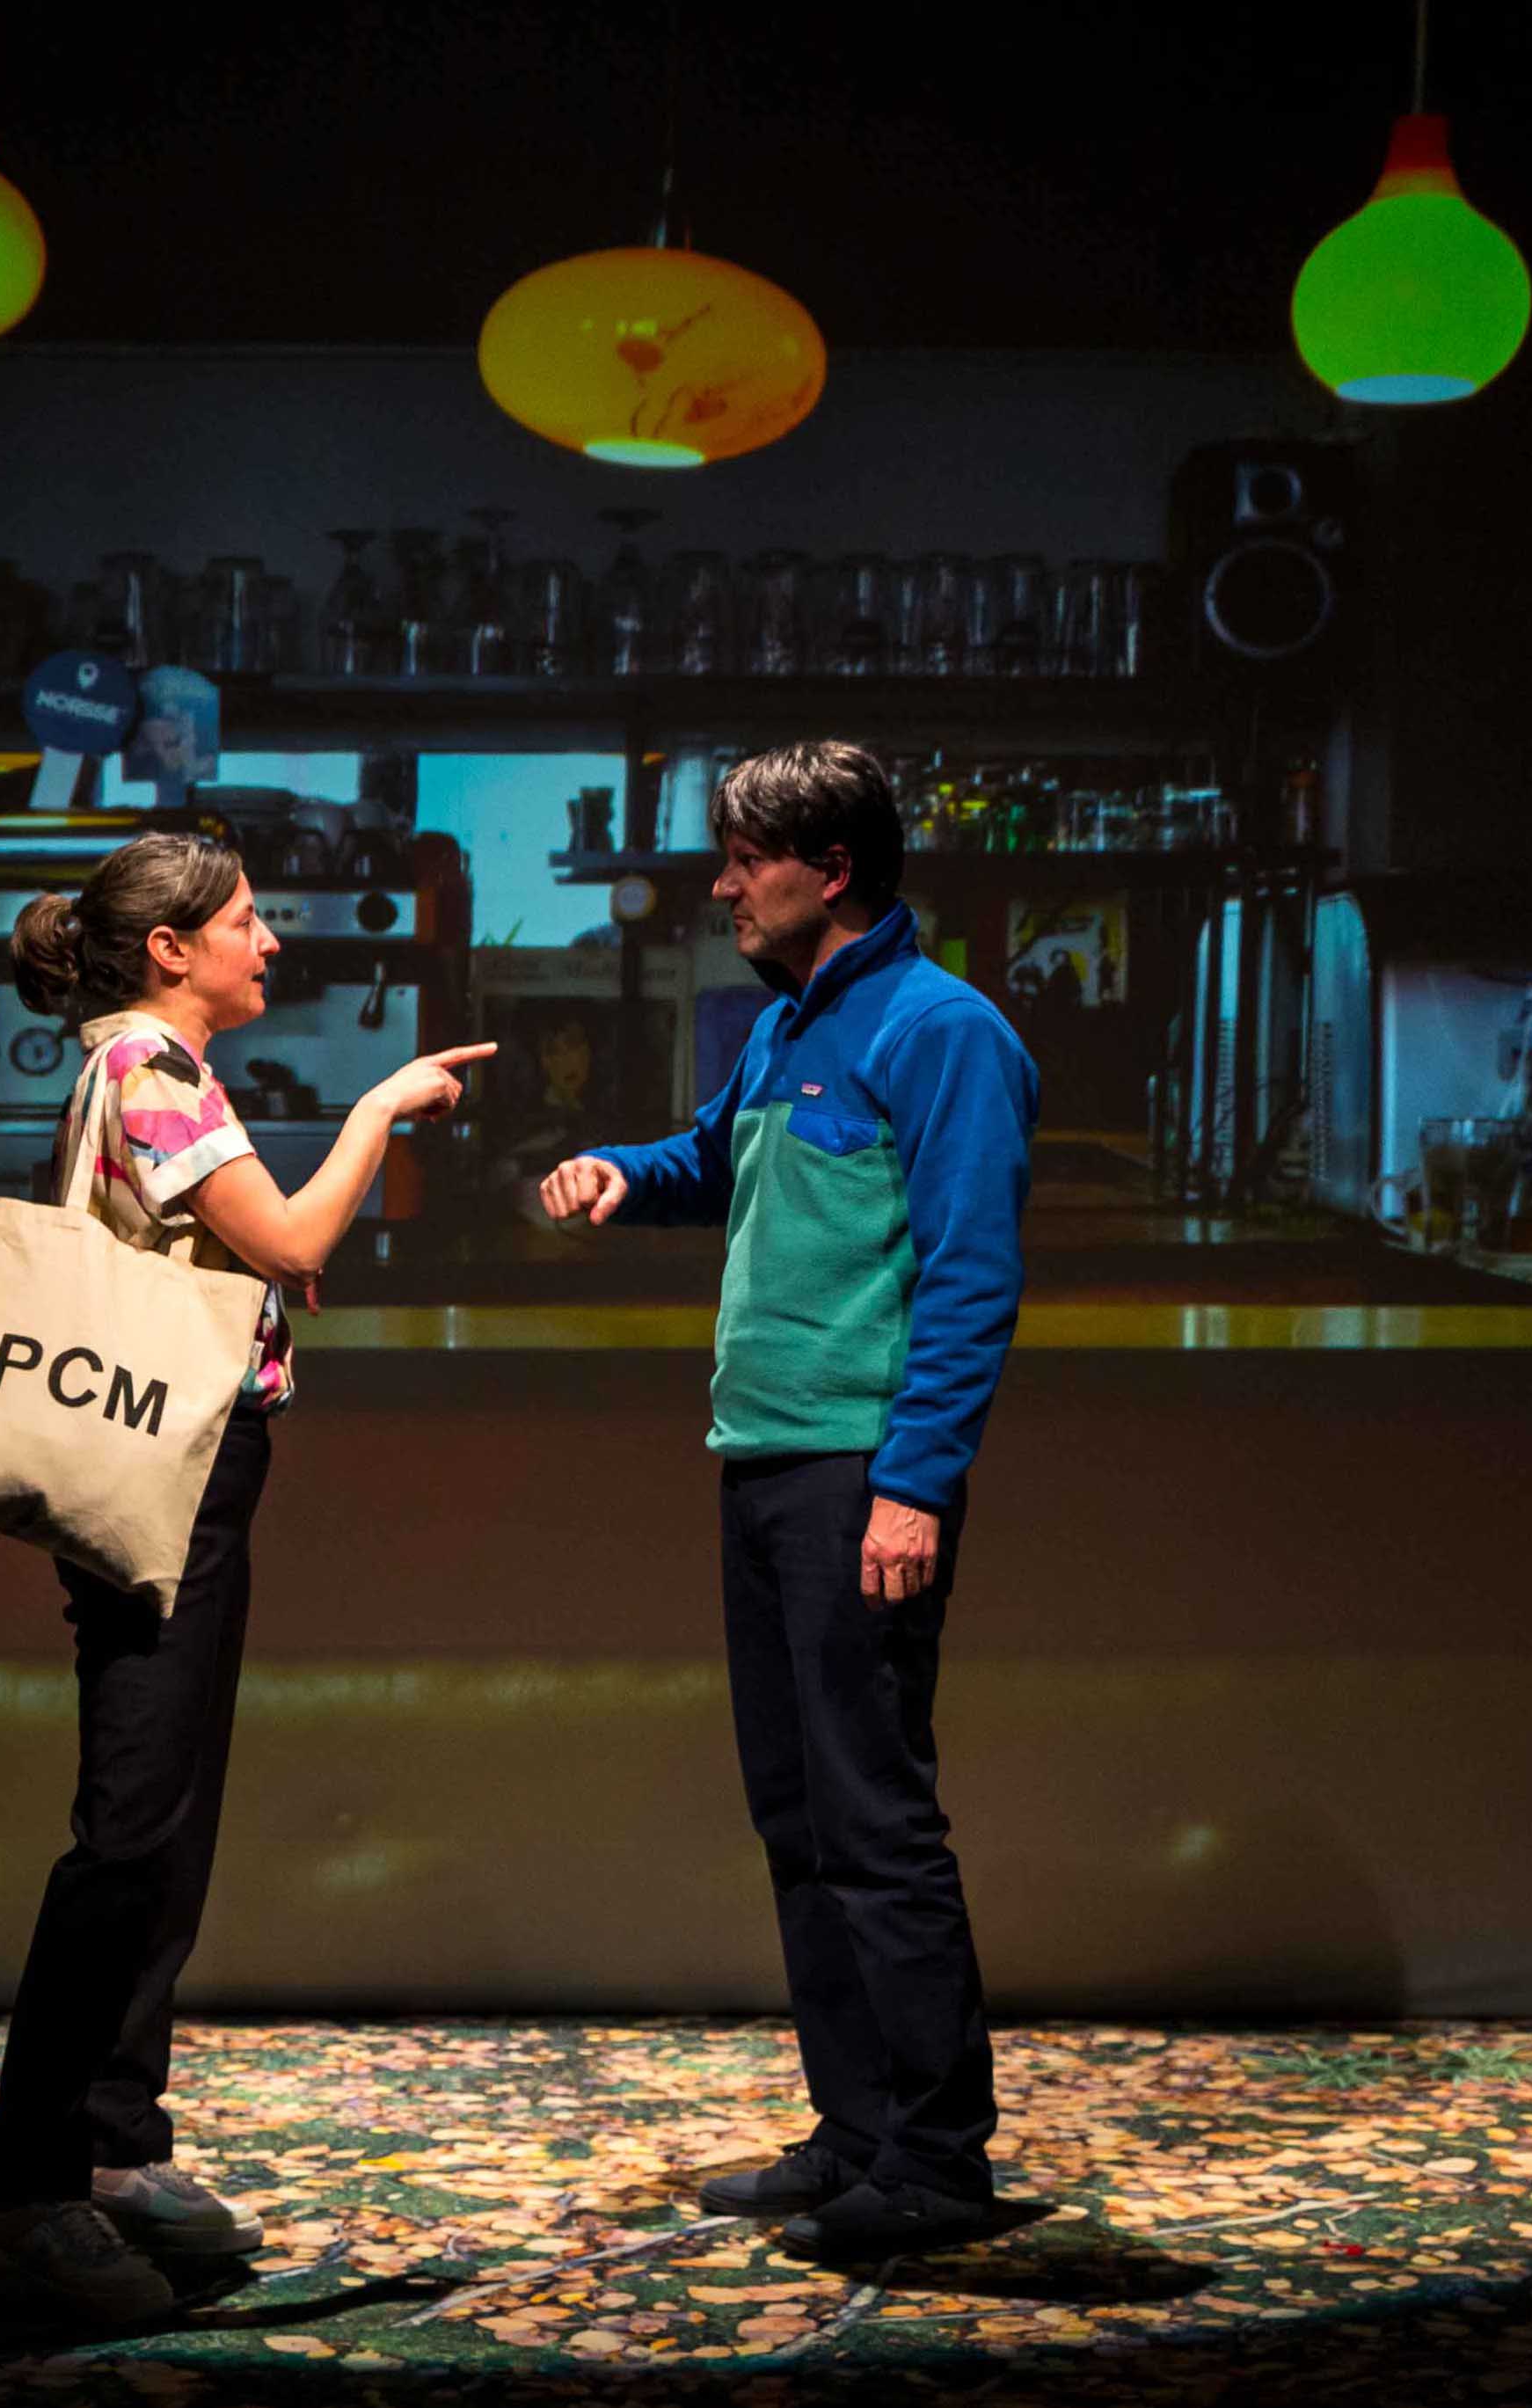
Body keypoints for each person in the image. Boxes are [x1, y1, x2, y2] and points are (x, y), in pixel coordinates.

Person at [0, 831, 492, 2326]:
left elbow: (242, 1244)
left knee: (167, 1823)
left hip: (201, 1471)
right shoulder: (152, 1069)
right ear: (170, 949)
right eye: (247, 922)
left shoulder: (146, 1066)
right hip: (171, 1476)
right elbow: (298, 1228)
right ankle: (29, 2197)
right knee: (128, 1829)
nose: (271, 942)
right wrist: (382, 1107)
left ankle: (115, 2151)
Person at [537, 741, 1038, 2262]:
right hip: (760, 1455)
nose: (720, 882)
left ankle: (940, 2164)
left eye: (742, 856)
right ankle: (860, 2130)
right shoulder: (786, 1022)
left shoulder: (944, 1031)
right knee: (799, 1816)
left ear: (827, 871)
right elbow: (720, 1161)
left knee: (877, 1817)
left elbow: (970, 1274)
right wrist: (629, 1171)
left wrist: (914, 1484)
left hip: (851, 1472)